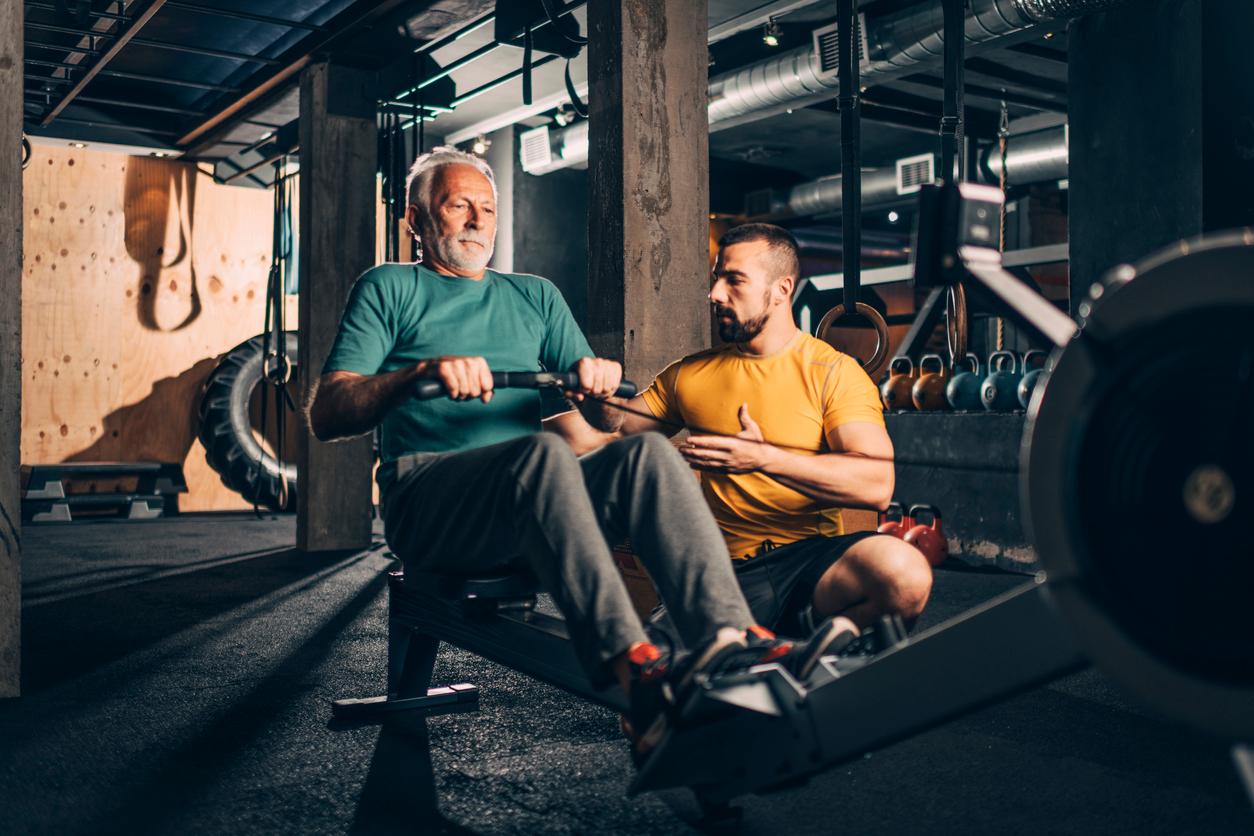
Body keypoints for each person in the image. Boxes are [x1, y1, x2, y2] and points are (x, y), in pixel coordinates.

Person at [307, 150, 847, 756]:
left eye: (487, 209)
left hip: (534, 509)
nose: (477, 221)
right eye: (457, 205)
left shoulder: (534, 297)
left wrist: (599, 377)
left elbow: (605, 421)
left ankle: (735, 640)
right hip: (429, 504)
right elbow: (329, 413)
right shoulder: (389, 287)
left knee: (648, 458)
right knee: (540, 454)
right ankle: (635, 668)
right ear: (415, 218)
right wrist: (415, 375)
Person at [558, 223, 932, 639]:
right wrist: (578, 396)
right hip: (721, 572)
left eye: (734, 280)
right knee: (658, 692)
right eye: (716, 278)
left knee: (904, 570)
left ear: (781, 289)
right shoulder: (691, 374)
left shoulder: (833, 373)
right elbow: (608, 428)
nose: (715, 293)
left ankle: (815, 652)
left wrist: (764, 458)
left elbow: (876, 483)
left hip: (809, 566)